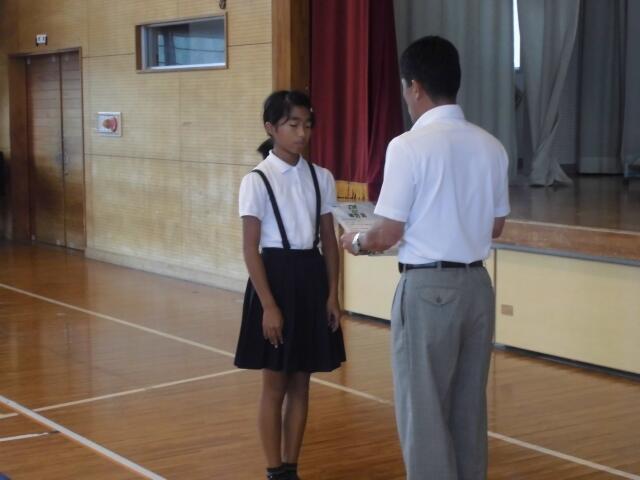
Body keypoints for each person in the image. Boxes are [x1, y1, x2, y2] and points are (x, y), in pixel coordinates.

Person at [340, 36, 510, 479]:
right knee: (468, 410)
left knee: (424, 413)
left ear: (415, 86)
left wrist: (356, 241)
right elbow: (495, 227)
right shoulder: (492, 146)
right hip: (477, 288)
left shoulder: (407, 146)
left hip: (427, 289)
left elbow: (388, 233)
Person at [235, 90, 346, 480]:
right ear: (271, 128)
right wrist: (268, 305)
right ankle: (273, 469)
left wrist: (332, 294)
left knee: (302, 383)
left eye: (308, 125)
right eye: (293, 124)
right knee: (275, 384)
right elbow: (250, 248)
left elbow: (329, 240)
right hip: (275, 277)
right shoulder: (257, 180)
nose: (302, 133)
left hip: (311, 277)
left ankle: (291, 468)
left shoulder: (321, 177)